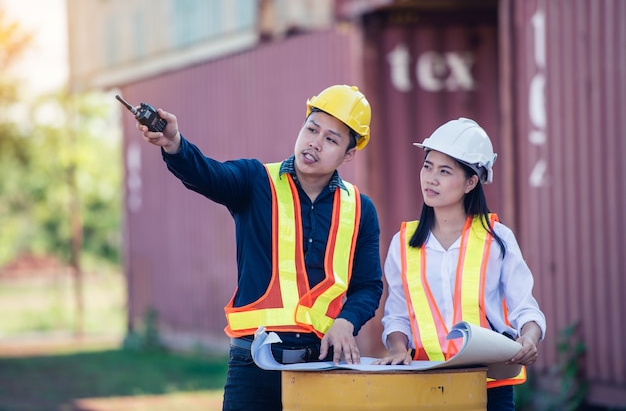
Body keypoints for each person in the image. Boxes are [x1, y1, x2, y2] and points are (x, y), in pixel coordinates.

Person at [135, 84, 384, 411]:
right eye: (311, 129)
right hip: (253, 363)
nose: (314, 143)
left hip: (321, 363)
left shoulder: (360, 209)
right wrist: (174, 144)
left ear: (349, 154)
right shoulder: (255, 181)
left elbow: (368, 286)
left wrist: (345, 322)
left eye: (331, 139)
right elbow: (208, 175)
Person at [373, 118, 546, 410]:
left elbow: (525, 308)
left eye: (444, 171)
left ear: (470, 182)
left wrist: (529, 338)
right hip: (424, 384)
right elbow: (397, 316)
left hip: (489, 385)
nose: (430, 178)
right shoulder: (402, 244)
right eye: (427, 166)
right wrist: (397, 348)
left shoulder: (497, 240)